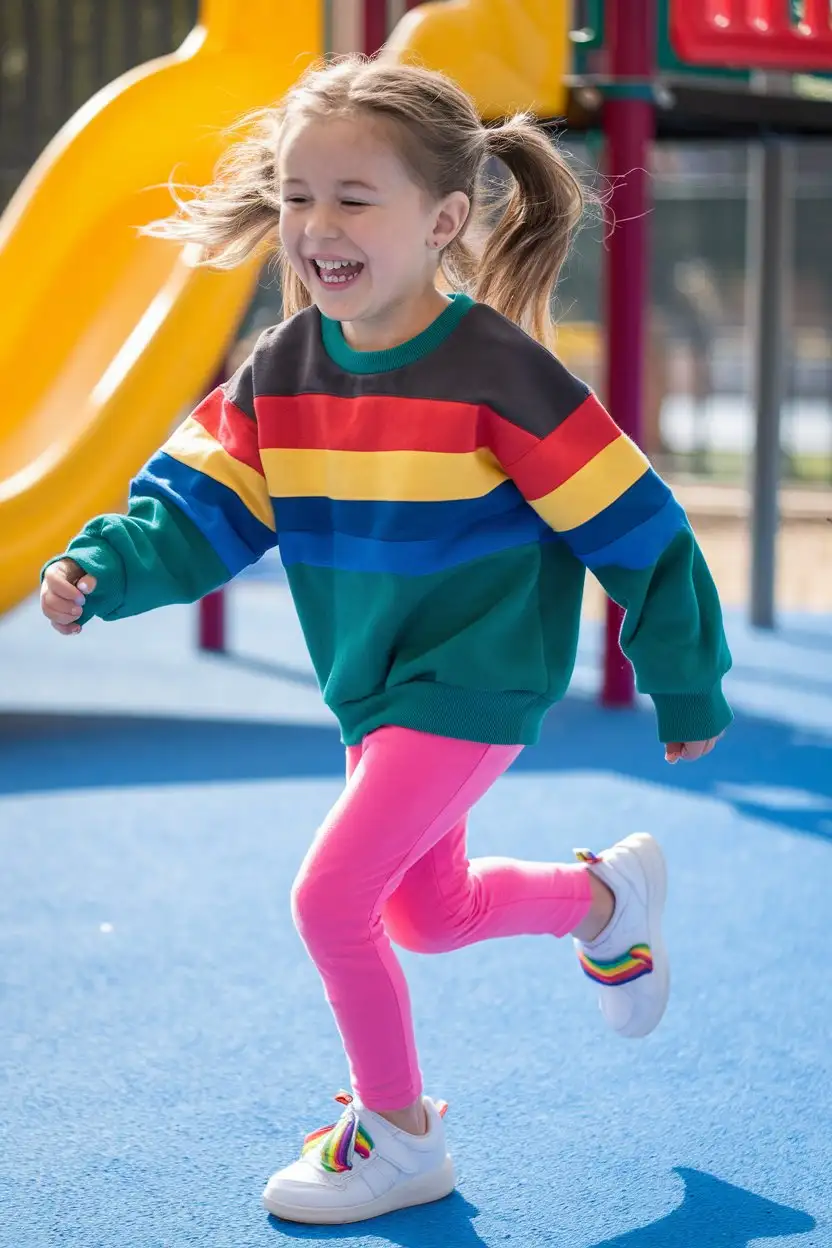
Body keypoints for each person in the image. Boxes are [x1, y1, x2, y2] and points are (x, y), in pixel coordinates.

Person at [40, 56, 732, 1227]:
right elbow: (197, 505)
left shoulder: (501, 373)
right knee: (426, 911)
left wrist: (680, 677)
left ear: (444, 220)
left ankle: (401, 1132)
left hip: (473, 677)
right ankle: (601, 900)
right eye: (298, 194)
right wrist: (100, 567)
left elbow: (635, 523)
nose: (315, 224)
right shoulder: (282, 370)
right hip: (372, 685)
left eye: (353, 197)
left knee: (330, 899)